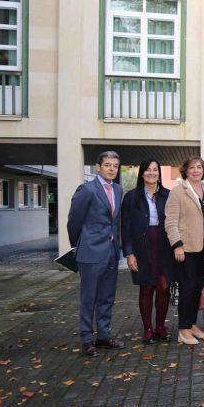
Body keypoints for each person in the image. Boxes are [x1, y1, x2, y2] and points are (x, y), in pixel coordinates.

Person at [68, 150, 126, 357]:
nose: (112, 169)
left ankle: (103, 335)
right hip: (91, 252)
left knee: (107, 296)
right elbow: (74, 220)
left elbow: (114, 221)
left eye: (115, 166)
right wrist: (79, 245)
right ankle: (86, 339)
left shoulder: (118, 190)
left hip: (111, 251)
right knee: (89, 297)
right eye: (108, 165)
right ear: (98, 167)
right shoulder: (87, 190)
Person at [121, 158, 174, 344]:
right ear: (142, 173)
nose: (152, 173)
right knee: (146, 288)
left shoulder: (168, 195)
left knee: (163, 287)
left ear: (159, 173)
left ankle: (160, 327)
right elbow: (125, 226)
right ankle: (148, 329)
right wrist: (129, 253)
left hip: (165, 248)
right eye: (148, 170)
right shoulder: (131, 197)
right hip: (142, 249)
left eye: (155, 170)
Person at [164, 156, 204, 345]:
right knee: (186, 288)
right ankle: (183, 330)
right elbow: (170, 221)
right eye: (192, 167)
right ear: (185, 170)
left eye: (199, 167)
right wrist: (177, 245)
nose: (196, 170)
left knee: (196, 288)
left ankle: (192, 324)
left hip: (202, 247)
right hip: (184, 248)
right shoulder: (178, 192)